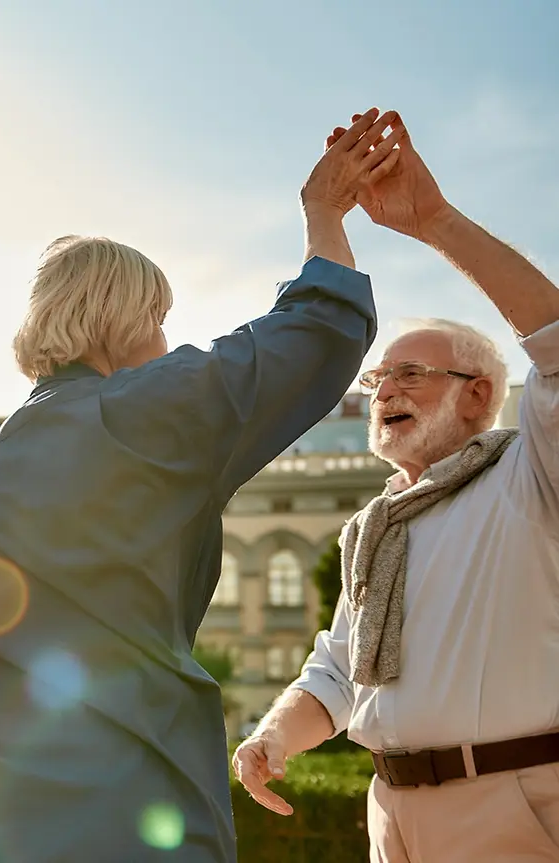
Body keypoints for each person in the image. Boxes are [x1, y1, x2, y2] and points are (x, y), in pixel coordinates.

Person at [0, 108, 401, 863]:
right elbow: (318, 331)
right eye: (159, 318)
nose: (166, 341)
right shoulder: (131, 414)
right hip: (112, 795)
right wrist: (323, 214)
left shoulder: (14, 445)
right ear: (123, 318)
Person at [233, 116, 559, 862]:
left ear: (479, 395)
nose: (384, 390)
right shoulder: (373, 524)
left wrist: (434, 220)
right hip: (391, 813)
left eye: (411, 373)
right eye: (378, 378)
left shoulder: (532, 472)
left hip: (509, 801)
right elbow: (340, 670)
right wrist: (272, 736)